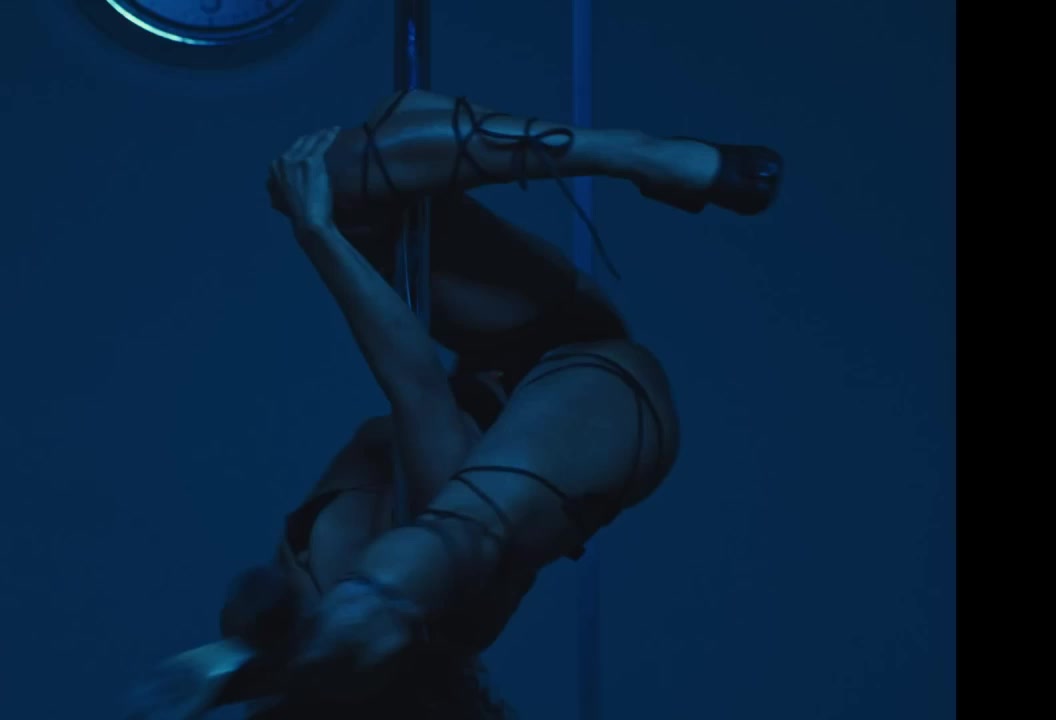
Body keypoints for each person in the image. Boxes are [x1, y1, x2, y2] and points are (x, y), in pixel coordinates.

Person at [221, 90, 783, 719]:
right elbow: (417, 389)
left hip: (510, 350)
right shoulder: (441, 604)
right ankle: (619, 150)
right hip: (601, 395)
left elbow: (235, 665)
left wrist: (216, 673)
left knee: (336, 177)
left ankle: (641, 156)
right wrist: (318, 235)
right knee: (441, 541)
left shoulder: (287, 634)